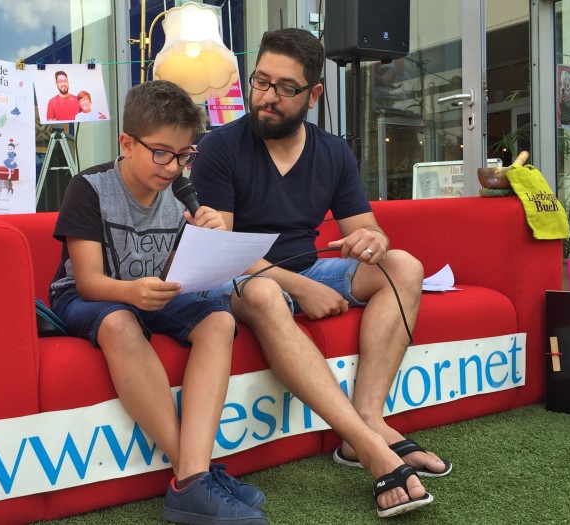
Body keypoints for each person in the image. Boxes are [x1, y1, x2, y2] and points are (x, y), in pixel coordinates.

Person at [189, 28, 450, 518]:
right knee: (266, 294)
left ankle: (370, 414)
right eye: (260, 81)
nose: (266, 97)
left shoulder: (333, 152)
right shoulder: (220, 148)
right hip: (239, 278)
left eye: (285, 88)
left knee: (403, 266)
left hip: (305, 266)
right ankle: (367, 445)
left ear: (314, 94)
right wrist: (298, 285)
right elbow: (220, 249)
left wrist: (373, 241)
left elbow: (368, 229)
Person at [49, 80, 268, 525]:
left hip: (150, 293)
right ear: (127, 143)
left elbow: (172, 273)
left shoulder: (181, 197)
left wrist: (207, 241)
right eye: (162, 152)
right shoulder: (88, 188)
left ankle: (194, 478)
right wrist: (131, 292)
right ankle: (193, 478)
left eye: (185, 155)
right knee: (118, 323)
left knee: (219, 322)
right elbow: (89, 280)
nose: (173, 168)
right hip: (90, 297)